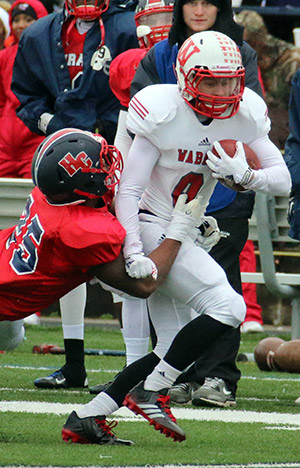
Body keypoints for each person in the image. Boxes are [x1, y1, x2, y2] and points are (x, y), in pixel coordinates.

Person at [62, 31, 291, 445]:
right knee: (229, 305)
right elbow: (128, 190)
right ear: (186, 78)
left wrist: (246, 176)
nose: (222, 91)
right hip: (151, 222)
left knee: (169, 343)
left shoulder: (245, 113)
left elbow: (282, 179)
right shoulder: (161, 110)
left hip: (183, 226)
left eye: (229, 81)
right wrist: (133, 249)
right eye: (210, 81)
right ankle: (150, 391)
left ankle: (88, 416)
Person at [127, 0, 264, 408]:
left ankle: (219, 375)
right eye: (192, 2)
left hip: (222, 190)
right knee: (162, 287)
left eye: (209, 2)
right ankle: (169, 377)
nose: (200, 10)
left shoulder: (243, 52)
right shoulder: (160, 55)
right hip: (167, 196)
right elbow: (144, 124)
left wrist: (242, 174)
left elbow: (247, 123)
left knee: (224, 287)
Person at [11, 0, 139, 389]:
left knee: (122, 251)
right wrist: (56, 125)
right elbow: (25, 96)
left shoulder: (125, 26)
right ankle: (74, 362)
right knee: (64, 254)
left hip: (117, 154)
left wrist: (110, 127)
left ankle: (136, 365)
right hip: (63, 160)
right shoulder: (38, 33)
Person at [0, 128, 200, 359]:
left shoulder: (46, 195)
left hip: (9, 285)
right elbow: (144, 286)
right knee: (10, 339)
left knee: (12, 337)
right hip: (6, 300)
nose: (107, 167)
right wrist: (178, 231)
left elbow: (106, 207)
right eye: (100, 164)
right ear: (81, 182)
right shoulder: (82, 231)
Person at [0, 0, 48, 180]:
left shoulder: (51, 56)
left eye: (28, 19)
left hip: (35, 141)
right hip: (4, 146)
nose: (21, 25)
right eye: (16, 20)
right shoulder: (3, 57)